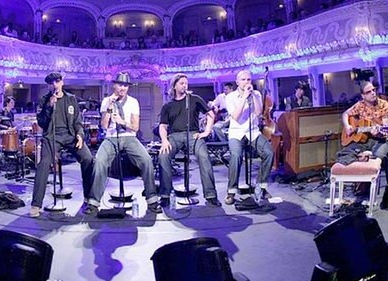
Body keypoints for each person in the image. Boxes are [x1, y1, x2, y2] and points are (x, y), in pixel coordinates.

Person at [83, 72, 163, 216]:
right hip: (111, 138)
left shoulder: (133, 102)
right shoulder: (107, 101)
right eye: (120, 85)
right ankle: (93, 203)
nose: (122, 88)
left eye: (125, 85)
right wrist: (109, 106)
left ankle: (152, 200)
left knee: (146, 160)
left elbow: (135, 127)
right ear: (114, 85)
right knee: (99, 162)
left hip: (129, 137)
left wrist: (121, 121)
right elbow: (104, 126)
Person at [30, 72, 94, 217]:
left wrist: (80, 135)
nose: (55, 85)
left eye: (57, 81)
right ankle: (36, 204)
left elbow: (77, 122)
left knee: (88, 158)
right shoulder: (44, 100)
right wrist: (48, 107)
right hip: (52, 136)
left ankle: (89, 198)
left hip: (70, 136)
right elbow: (42, 123)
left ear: (62, 82)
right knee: (44, 163)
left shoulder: (71, 99)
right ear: (48, 85)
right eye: (51, 83)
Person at [157, 73, 221, 207]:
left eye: (186, 83)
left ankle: (211, 195)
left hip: (193, 134)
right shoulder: (167, 106)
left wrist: (207, 131)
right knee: (163, 156)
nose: (185, 85)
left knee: (203, 156)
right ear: (174, 86)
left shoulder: (194, 99)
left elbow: (210, 114)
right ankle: (165, 195)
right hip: (174, 136)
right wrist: (164, 140)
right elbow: (163, 126)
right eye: (181, 83)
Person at [224, 70, 274, 205]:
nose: (247, 82)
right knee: (236, 156)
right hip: (236, 132)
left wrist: (253, 97)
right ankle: (231, 191)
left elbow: (258, 113)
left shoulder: (256, 94)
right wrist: (244, 97)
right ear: (237, 82)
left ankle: (261, 187)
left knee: (269, 153)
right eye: (244, 80)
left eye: (249, 80)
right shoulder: (230, 97)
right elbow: (235, 116)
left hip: (253, 131)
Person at [336, 81, 388, 166]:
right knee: (342, 155)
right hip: (363, 141)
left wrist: (379, 132)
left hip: (380, 141)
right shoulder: (360, 105)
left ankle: (365, 156)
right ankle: (363, 156)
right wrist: (348, 127)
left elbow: (387, 129)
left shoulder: (383, 105)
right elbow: (345, 114)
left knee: (378, 155)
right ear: (363, 96)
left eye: (373, 90)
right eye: (368, 92)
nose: (373, 93)